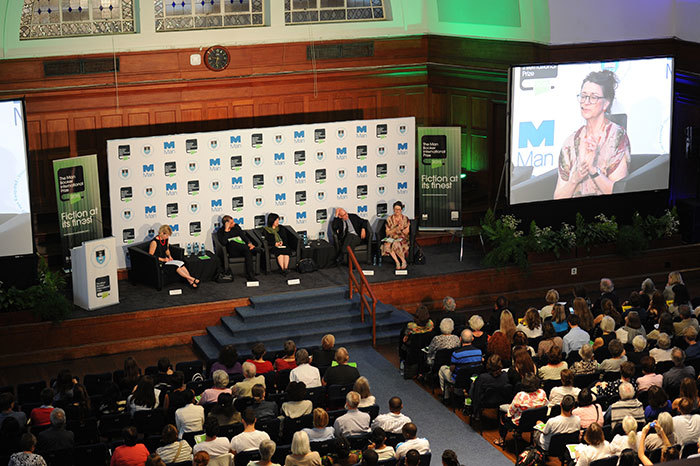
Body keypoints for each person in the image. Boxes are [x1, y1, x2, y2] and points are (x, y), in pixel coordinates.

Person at [554, 69, 630, 199]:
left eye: (593, 97)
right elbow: (557, 197)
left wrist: (593, 170)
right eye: (583, 96)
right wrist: (574, 179)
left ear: (606, 103)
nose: (586, 102)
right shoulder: (570, 142)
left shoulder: (617, 137)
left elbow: (618, 192)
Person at [495, 374, 547, 447]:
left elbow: (510, 412)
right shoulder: (542, 393)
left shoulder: (520, 396)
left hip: (519, 424)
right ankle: (520, 435)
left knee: (502, 413)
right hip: (536, 422)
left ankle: (502, 439)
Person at [438, 329, 483, 397]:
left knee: (442, 369)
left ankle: (446, 396)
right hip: (472, 379)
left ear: (460, 339)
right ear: (473, 338)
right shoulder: (479, 352)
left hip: (458, 380)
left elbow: (451, 369)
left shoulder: (456, 354)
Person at [217, 214, 260, 281]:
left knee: (248, 252)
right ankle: (253, 249)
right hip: (232, 252)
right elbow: (224, 243)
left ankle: (250, 275)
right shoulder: (221, 231)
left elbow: (243, 236)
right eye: (231, 223)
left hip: (243, 249)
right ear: (226, 224)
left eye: (233, 221)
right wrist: (226, 230)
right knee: (232, 243)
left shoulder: (236, 227)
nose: (234, 223)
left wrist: (249, 243)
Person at [380, 201, 411, 270]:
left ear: (401, 210)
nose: (397, 211)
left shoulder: (405, 219)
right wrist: (395, 229)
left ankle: (403, 261)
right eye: (395, 209)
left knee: (395, 244)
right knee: (387, 245)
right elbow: (387, 233)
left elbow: (406, 232)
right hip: (392, 237)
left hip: (403, 238)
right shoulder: (389, 219)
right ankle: (397, 262)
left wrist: (401, 230)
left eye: (398, 209)